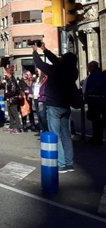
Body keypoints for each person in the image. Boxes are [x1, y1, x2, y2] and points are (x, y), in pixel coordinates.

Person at [32, 43, 77, 173]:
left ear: (63, 61)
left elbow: (40, 64)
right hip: (66, 106)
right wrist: (45, 49)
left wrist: (35, 52)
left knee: (55, 135)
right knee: (66, 135)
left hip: (53, 105)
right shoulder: (72, 71)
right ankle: (69, 163)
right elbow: (56, 61)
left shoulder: (56, 70)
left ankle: (61, 164)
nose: (59, 59)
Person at [84, 61, 106, 145]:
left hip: (95, 100)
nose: (88, 69)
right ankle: (97, 137)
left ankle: (97, 138)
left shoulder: (93, 76)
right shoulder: (101, 75)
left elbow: (92, 88)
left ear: (92, 67)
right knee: (97, 120)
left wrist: (87, 95)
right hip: (100, 100)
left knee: (96, 121)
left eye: (89, 67)